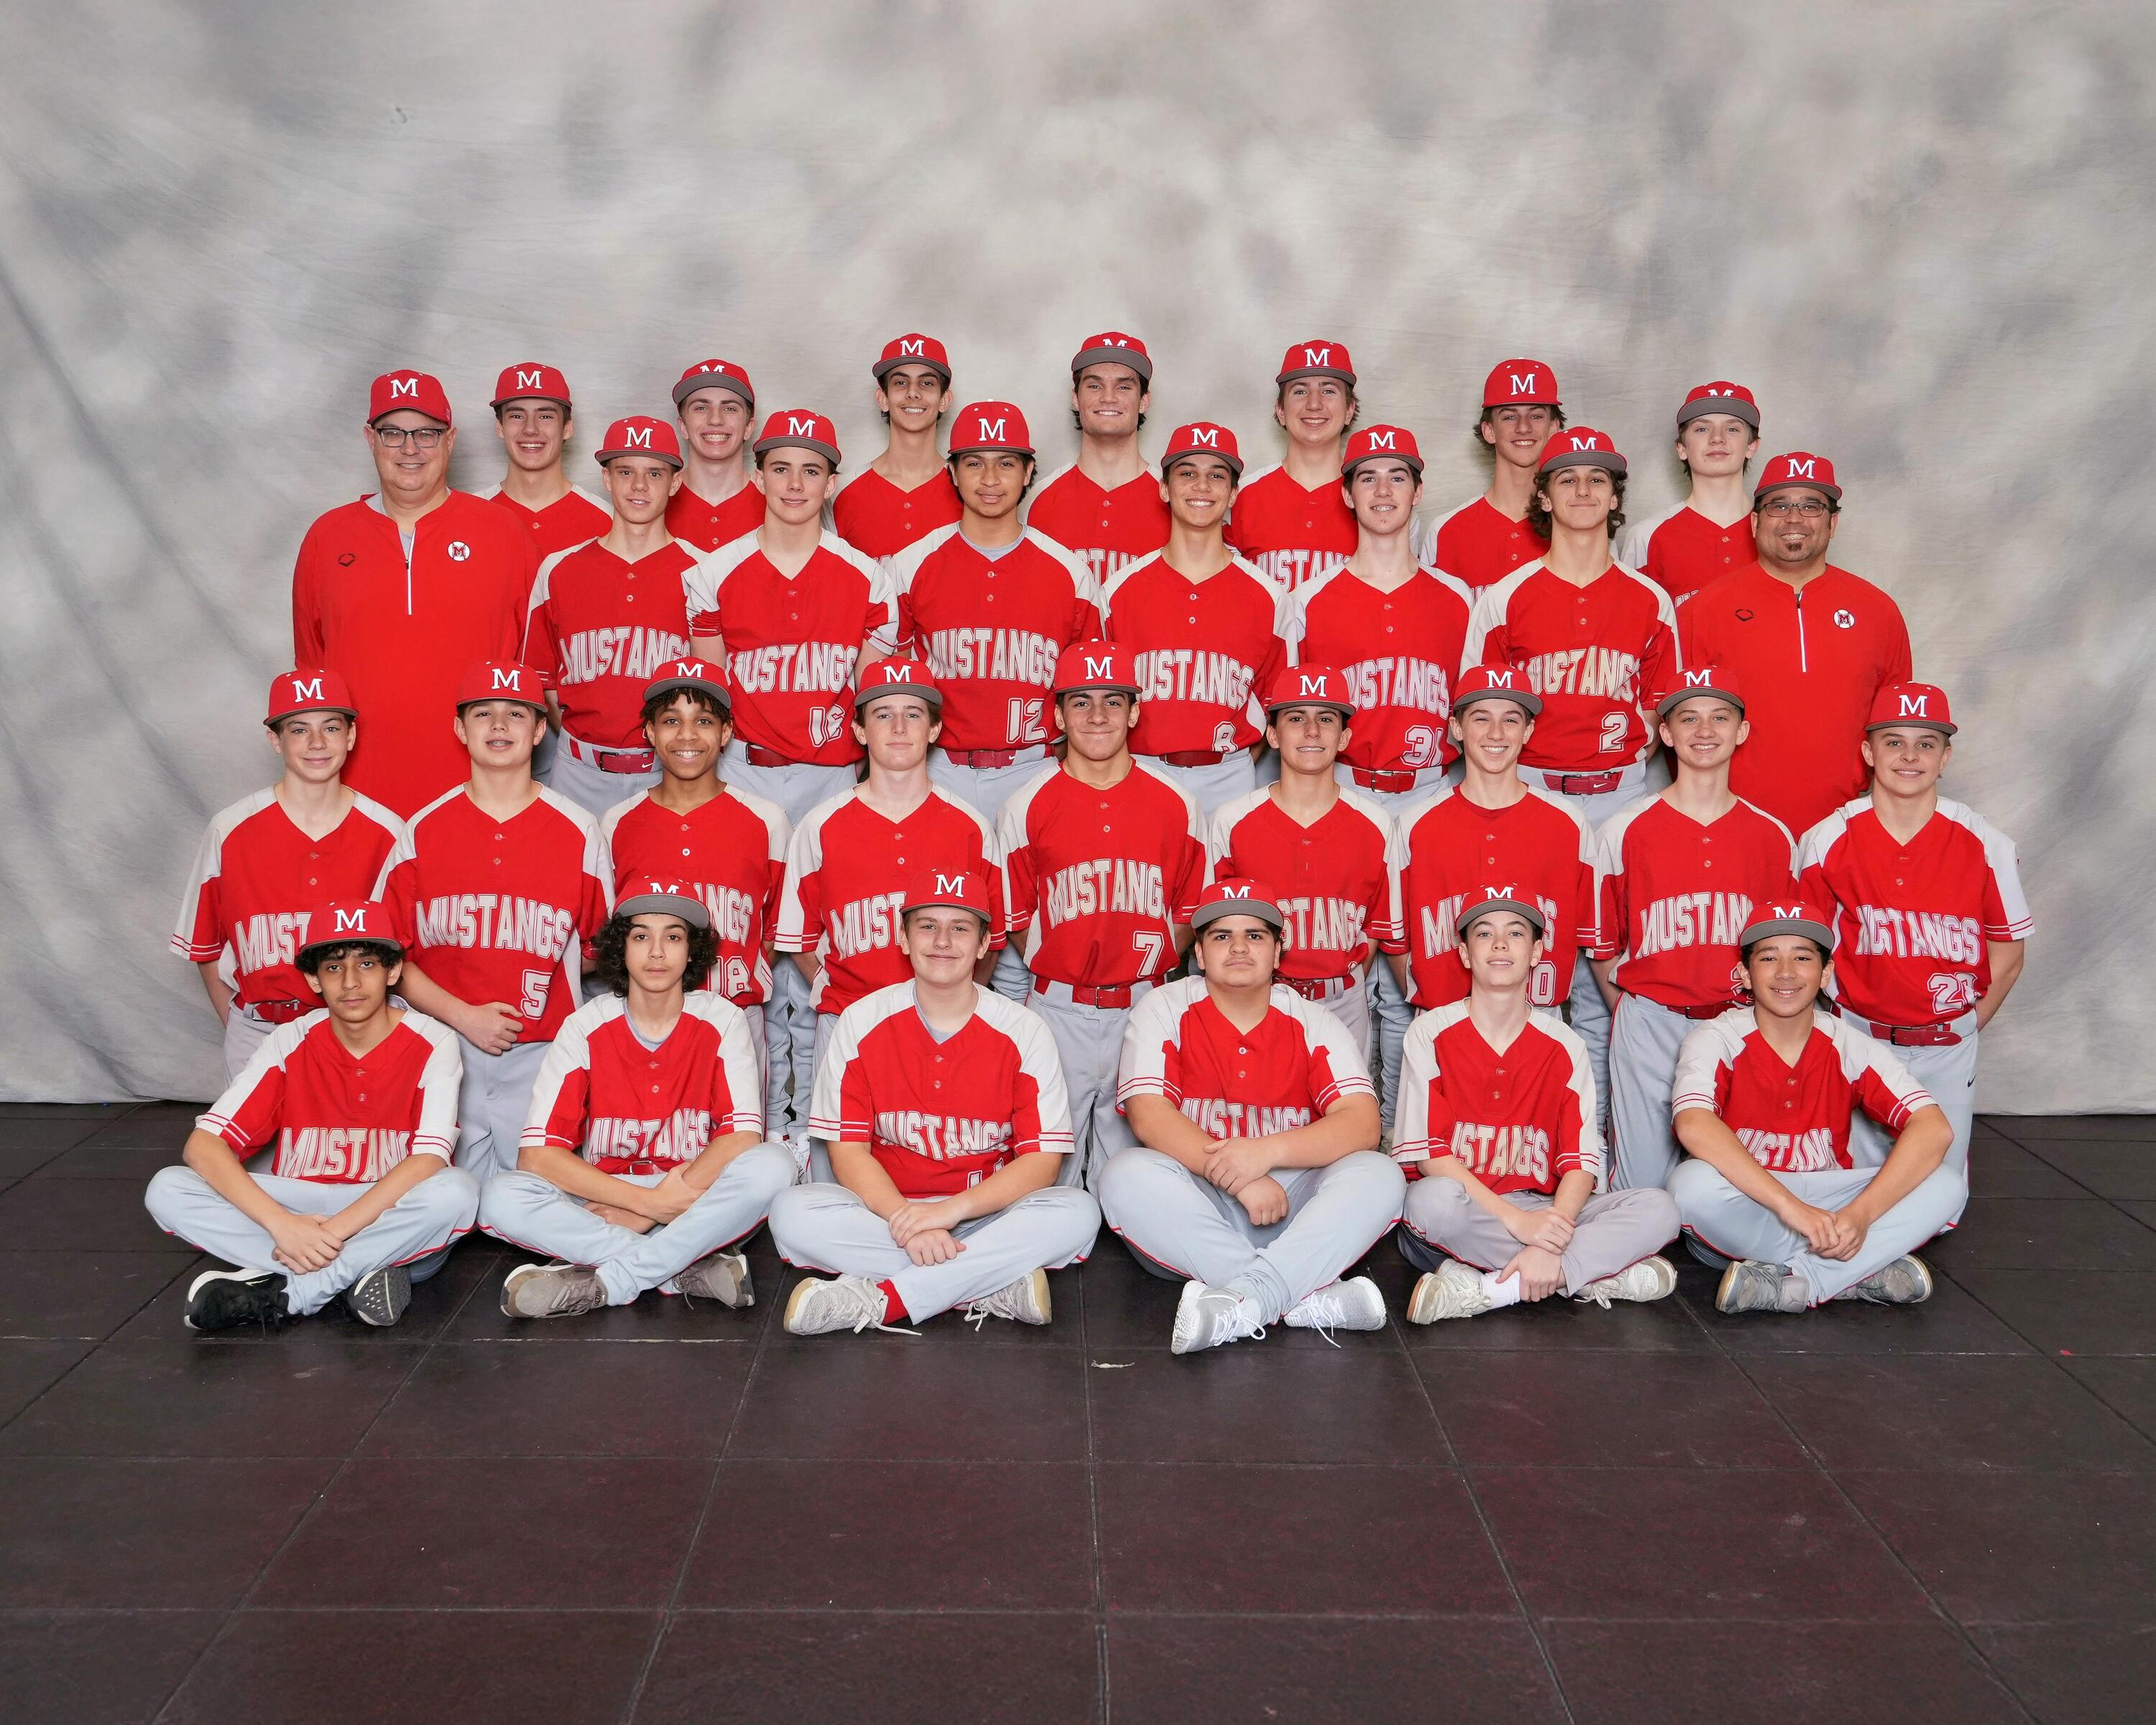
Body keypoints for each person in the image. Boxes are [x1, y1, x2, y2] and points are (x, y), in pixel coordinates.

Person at [683, 409, 897, 1131]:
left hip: (831, 775)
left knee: (820, 946)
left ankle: (815, 1127)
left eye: (812, 470)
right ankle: (762, 1121)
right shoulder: (713, 572)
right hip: (745, 769)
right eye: (781, 468)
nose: (796, 484)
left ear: (832, 482)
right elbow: (710, 700)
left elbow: (870, 700)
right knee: (746, 948)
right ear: (758, 475)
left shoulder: (868, 576)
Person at [769, 870, 1101, 1334]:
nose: (943, 941)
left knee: (1077, 1212)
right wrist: (908, 1220)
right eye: (927, 926)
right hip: (887, 1216)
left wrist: (949, 1212)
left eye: (960, 928)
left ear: (983, 945)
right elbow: (848, 1151)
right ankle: (987, 1283)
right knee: (792, 1212)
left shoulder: (1024, 1029)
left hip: (986, 1215)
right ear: (903, 938)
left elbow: (1042, 1163)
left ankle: (881, 1300)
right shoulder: (861, 1021)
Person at [1465, 427, 1678, 1112]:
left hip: (1619, 795)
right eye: (1567, 479)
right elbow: (1480, 705)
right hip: (1531, 792)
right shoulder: (1504, 597)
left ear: (1615, 497)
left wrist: (1620, 758)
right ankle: (1529, 1123)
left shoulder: (1650, 599)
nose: (1583, 490)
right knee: (1528, 964)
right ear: (1544, 496)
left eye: (1598, 479)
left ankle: (1597, 1134)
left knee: (1607, 971)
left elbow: (1664, 708)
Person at [144, 899, 477, 1332]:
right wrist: (284, 1226)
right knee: (168, 1188)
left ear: (393, 971)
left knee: (457, 1192)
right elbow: (204, 1146)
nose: (351, 982)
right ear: (313, 979)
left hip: (386, 1209)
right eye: (334, 967)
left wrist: (329, 1235)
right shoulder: (290, 1039)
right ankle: (357, 1274)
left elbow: (428, 1160)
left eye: (367, 964)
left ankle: (291, 1292)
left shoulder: (435, 1040)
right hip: (301, 1208)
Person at [1102, 879, 1402, 1353]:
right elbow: (1149, 1114)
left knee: (1379, 1172)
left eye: (1256, 936)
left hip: (1293, 1210)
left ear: (1278, 953)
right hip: (1200, 1211)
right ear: (1200, 953)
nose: (1239, 947)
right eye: (1222, 935)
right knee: (1125, 1173)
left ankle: (1243, 1302)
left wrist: (1264, 1154)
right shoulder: (1164, 1007)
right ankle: (1299, 1298)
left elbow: (1362, 1123)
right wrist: (1240, 1179)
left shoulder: (1314, 1020)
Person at [479, 883, 796, 1318]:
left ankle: (612, 1280)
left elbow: (741, 1137)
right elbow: (537, 1156)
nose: (657, 952)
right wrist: (646, 1204)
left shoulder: (722, 1017)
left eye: (673, 937)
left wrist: (656, 1206)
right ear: (621, 948)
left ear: (691, 952)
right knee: (500, 1195)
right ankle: (683, 1268)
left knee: (773, 1165)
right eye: (641, 936)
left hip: (693, 1193)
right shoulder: (585, 1025)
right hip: (611, 1193)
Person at [1293, 423, 1475, 1121]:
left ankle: (1406, 1142)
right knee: (1338, 968)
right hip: (1344, 790)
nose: (1383, 491)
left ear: (1418, 491)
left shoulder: (1458, 598)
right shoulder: (1311, 598)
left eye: (1398, 476)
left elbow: (1477, 712)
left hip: (1429, 792)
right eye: (1367, 477)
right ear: (1346, 494)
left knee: (1417, 978)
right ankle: (1338, 1137)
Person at [1394, 889, 1680, 1323]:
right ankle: (1591, 1275)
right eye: (1484, 934)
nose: (1500, 944)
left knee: (1661, 1208)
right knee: (1429, 1201)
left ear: (1537, 952)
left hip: (1541, 1208)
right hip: (1470, 1209)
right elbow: (1431, 1157)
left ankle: (1494, 1288)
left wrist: (1550, 1238)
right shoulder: (1429, 1032)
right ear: (1465, 953)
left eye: (1515, 933)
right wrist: (1519, 1224)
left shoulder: (1566, 1043)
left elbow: (1580, 1163)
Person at [374, 661, 611, 1178]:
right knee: (441, 1198)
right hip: (440, 1045)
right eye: (483, 713)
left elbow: (602, 952)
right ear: (460, 729)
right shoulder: (422, 830)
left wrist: (543, 971)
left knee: (536, 1196)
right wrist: (464, 1015)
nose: (500, 725)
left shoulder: (579, 830)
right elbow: (385, 960)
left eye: (516, 714)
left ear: (540, 729)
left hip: (543, 1050)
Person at [1797, 683, 2029, 1204]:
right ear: (1868, 752)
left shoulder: (1986, 842)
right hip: (1859, 1039)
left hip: (1947, 1044)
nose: (1909, 756)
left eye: (1926, 744)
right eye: (1894, 741)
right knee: (1848, 1191)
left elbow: (2009, 955)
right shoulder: (1826, 839)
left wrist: (1964, 1026)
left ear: (1945, 757)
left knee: (1938, 1197)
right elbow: (1803, 953)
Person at [1671, 903, 1961, 1314]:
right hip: (1751, 1199)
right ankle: (1857, 1271)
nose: (1786, 972)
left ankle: (1795, 1282)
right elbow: (1693, 1124)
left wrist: (1861, 1216)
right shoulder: (1715, 1037)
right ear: (1744, 974)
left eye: (1803, 958)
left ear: (1825, 974)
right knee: (1689, 1184)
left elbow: (1933, 1128)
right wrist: (1793, 1210)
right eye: (1768, 958)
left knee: (1948, 1183)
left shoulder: (1848, 1043)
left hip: (1827, 1199)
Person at [997, 643, 1207, 1188]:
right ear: (1058, 715)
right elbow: (1017, 917)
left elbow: (1190, 911)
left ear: (1134, 712)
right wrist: (1065, 964)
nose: (1097, 716)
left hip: (1145, 1005)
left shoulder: (1177, 802)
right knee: (1047, 1172)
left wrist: (1147, 967)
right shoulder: (1026, 804)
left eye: (1113, 701)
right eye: (1081, 702)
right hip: (1057, 1008)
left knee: (1136, 1177)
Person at [291, 369, 536, 816]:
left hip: (479, 788)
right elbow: (312, 672)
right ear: (370, 439)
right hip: (356, 792)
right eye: (393, 433)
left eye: (426, 433)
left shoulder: (504, 532)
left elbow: (534, 661)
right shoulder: (327, 537)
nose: (410, 449)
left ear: (450, 440)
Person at [1590, 667, 1797, 1191]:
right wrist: (1636, 1009)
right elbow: (1603, 945)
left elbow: (1788, 952)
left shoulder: (1773, 837)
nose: (1704, 731)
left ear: (1741, 731)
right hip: (1651, 1020)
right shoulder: (1623, 829)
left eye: (1719, 717)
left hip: (1739, 1023)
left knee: (1736, 1184)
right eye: (1688, 718)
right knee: (1640, 1190)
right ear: (1665, 732)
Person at [776, 659, 1004, 1116]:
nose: (899, 727)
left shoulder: (971, 828)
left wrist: (951, 1003)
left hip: (943, 1027)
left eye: (913, 714)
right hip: (847, 1021)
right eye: (883, 714)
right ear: (859, 730)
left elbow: (990, 942)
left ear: (935, 728)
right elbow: (800, 941)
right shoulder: (819, 825)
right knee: (837, 1156)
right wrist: (841, 994)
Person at [174, 670, 405, 1079]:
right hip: (258, 1030)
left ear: (350, 736)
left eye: (331, 727)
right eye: (299, 729)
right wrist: (241, 1028)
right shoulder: (229, 829)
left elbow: (407, 955)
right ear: (275, 740)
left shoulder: (389, 832)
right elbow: (206, 949)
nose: (317, 743)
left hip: (361, 1033)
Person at [1677, 453, 1913, 838]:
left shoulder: (1878, 611)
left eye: (1811, 506)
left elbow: (1897, 729)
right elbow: (1680, 724)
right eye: (1780, 505)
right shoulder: (1703, 610)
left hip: (1847, 825)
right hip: (1730, 823)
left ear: (1833, 523)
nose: (1794, 519)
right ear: (1755, 522)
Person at [891, 401, 1103, 817]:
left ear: (1027, 472)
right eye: (974, 463)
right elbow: (893, 676)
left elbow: (1086, 690)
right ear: (953, 472)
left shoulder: (1070, 571)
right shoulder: (910, 564)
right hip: (938, 768)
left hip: (1036, 767)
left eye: (1006, 463)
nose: (990, 479)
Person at [1391, 666, 1596, 1075]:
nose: (1497, 733)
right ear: (1457, 728)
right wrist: (1428, 997)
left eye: (1512, 720)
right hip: (1442, 1021)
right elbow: (1396, 942)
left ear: (1529, 730)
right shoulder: (1415, 823)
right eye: (1481, 718)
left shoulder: (1568, 824)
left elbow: (1586, 936)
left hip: (1538, 1021)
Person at [596, 661, 790, 1071]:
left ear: (726, 732)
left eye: (703, 721)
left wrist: (735, 980)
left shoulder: (766, 819)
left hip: (735, 1014)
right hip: (643, 1017)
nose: (687, 735)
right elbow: (607, 932)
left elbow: (775, 928)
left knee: (739, 1116)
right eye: (671, 721)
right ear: (650, 732)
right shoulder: (617, 823)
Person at [1207, 666, 1401, 1058]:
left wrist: (1339, 983)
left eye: (1326, 719)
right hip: (1257, 1000)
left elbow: (1376, 927)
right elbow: (1213, 929)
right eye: (1296, 718)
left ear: (1344, 737)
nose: (1312, 731)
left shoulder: (1376, 823)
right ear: (1273, 734)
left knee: (1347, 1098)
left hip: (1343, 1002)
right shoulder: (1232, 820)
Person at [1103, 422, 1291, 815]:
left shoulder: (1269, 595)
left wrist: (1234, 761)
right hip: (1141, 769)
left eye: (1217, 475)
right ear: (1165, 488)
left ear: (1233, 493)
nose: (1202, 486)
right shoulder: (1119, 589)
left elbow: (1277, 702)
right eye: (1187, 473)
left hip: (1230, 774)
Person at [521, 416, 696, 815]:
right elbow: (542, 680)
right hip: (577, 771)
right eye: (625, 472)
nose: (639, 486)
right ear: (606, 478)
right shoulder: (559, 569)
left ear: (675, 482)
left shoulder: (703, 571)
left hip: (669, 771)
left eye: (655, 473)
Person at [1026, 331, 1171, 583]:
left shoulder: (1175, 501)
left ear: (1144, 401)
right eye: (1094, 385)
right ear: (1076, 398)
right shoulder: (1036, 500)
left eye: (1124, 386)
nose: (1108, 397)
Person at [1410, 358, 1562, 588]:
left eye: (1536, 416)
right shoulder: (1446, 532)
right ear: (1489, 431)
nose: (1524, 427)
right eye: (1510, 417)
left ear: (1553, 428)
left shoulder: (1580, 524)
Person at [1224, 340, 1360, 590]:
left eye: (1329, 391)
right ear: (1281, 410)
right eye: (1300, 391)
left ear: (1349, 409)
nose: (1314, 404)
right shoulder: (1240, 496)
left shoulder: (1375, 498)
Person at [1616, 382, 1764, 607]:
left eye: (1732, 429)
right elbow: (1631, 621)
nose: (1717, 438)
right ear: (1682, 448)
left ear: (1751, 446)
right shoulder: (1646, 537)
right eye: (1702, 429)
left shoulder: (1777, 531)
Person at [831, 334, 962, 558]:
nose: (913, 393)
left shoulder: (970, 489)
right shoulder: (840, 491)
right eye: (901, 383)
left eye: (927, 383)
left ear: (944, 400)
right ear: (883, 398)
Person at [480, 362, 609, 558]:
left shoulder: (607, 520)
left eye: (545, 416)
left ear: (567, 428)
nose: (530, 429)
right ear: (500, 427)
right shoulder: (470, 514)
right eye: (517, 416)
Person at [665, 358, 765, 553]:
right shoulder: (652, 499)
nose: (716, 419)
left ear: (749, 427)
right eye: (701, 408)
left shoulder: (778, 503)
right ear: (683, 426)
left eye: (730, 408)